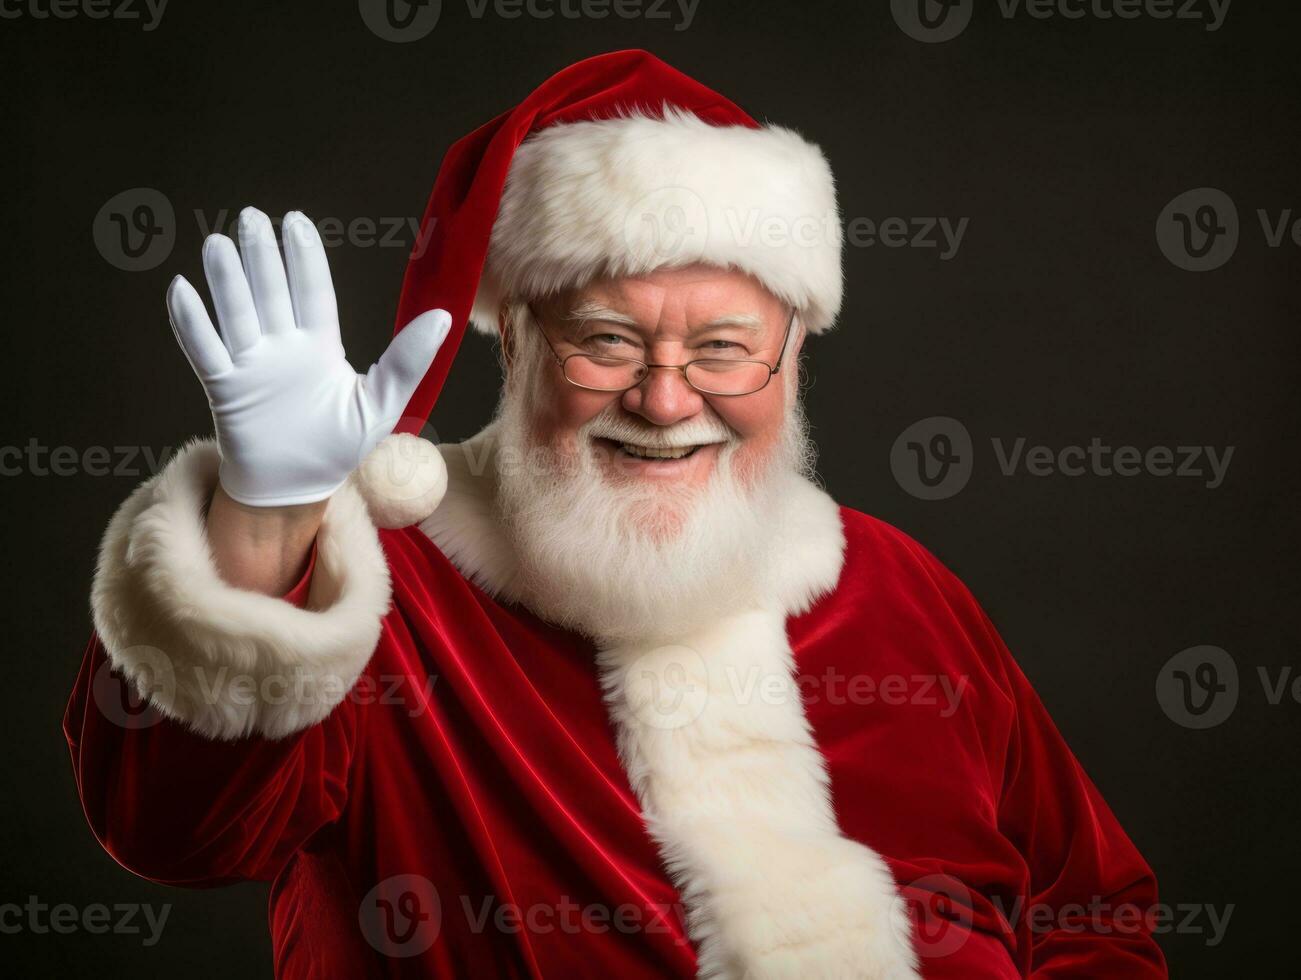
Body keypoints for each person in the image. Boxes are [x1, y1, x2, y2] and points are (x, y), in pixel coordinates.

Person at [64, 50, 1167, 978]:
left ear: (795, 351)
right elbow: (171, 829)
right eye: (606, 340)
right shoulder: (379, 587)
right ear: (520, 341)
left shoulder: (898, 588)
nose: (666, 398)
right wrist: (270, 516)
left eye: (723, 348)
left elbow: (1093, 905)